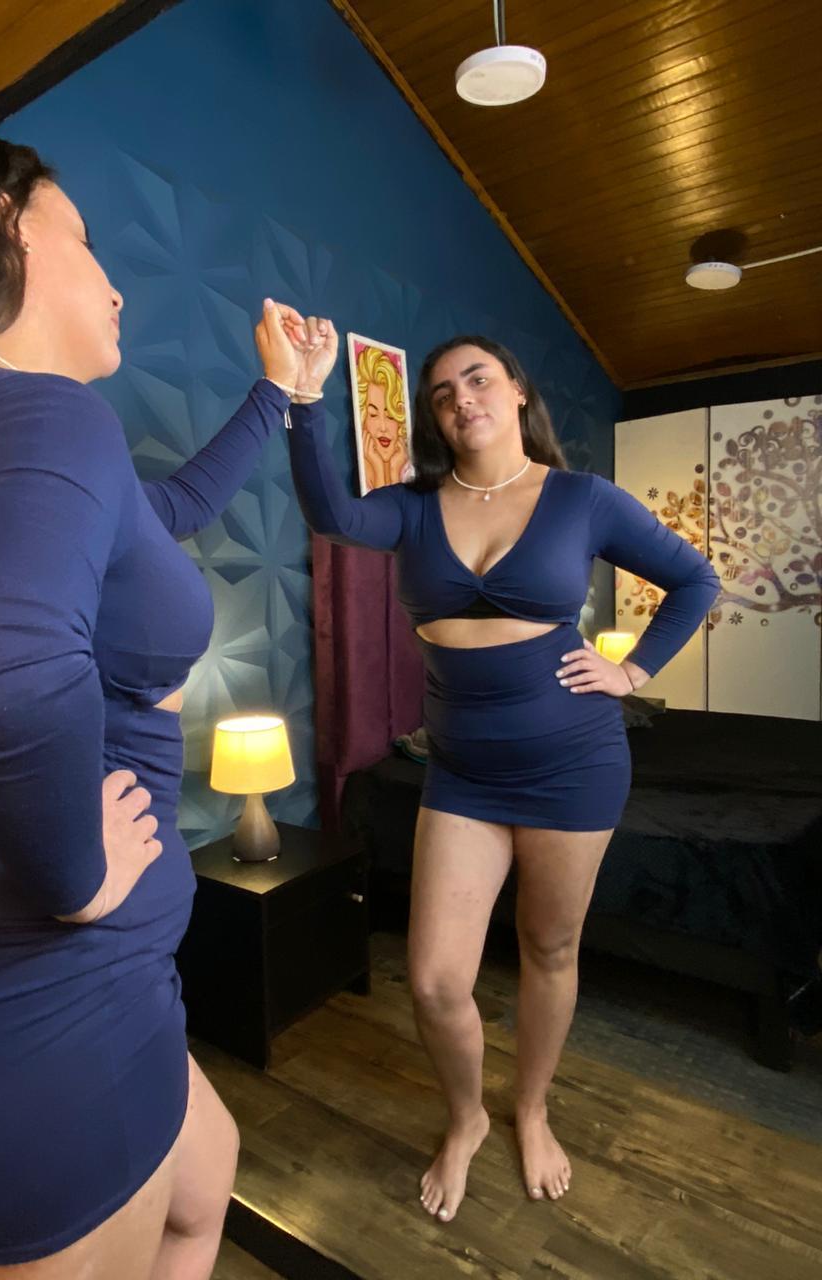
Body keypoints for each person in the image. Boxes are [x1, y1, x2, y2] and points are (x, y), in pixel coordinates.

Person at [0, 119, 308, 1278]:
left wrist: (274, 395)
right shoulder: (35, 413)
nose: (115, 283)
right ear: (2, 226)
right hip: (40, 1023)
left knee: (206, 1175)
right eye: (87, 238)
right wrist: (76, 872)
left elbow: (164, 513)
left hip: (0, 1000)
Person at [282, 319, 721, 1220]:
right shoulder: (412, 508)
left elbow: (695, 581)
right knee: (436, 979)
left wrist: (633, 671)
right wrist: (302, 396)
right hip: (462, 774)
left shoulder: (582, 498)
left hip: (575, 763)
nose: (461, 400)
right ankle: (467, 1117)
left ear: (517, 391)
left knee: (548, 948)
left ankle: (533, 1108)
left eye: (478, 379)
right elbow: (331, 516)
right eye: (442, 393)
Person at [356, 345, 411, 490]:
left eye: (390, 416)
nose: (383, 427)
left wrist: (393, 472)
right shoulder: (364, 476)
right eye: (373, 414)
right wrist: (378, 470)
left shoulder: (408, 470)